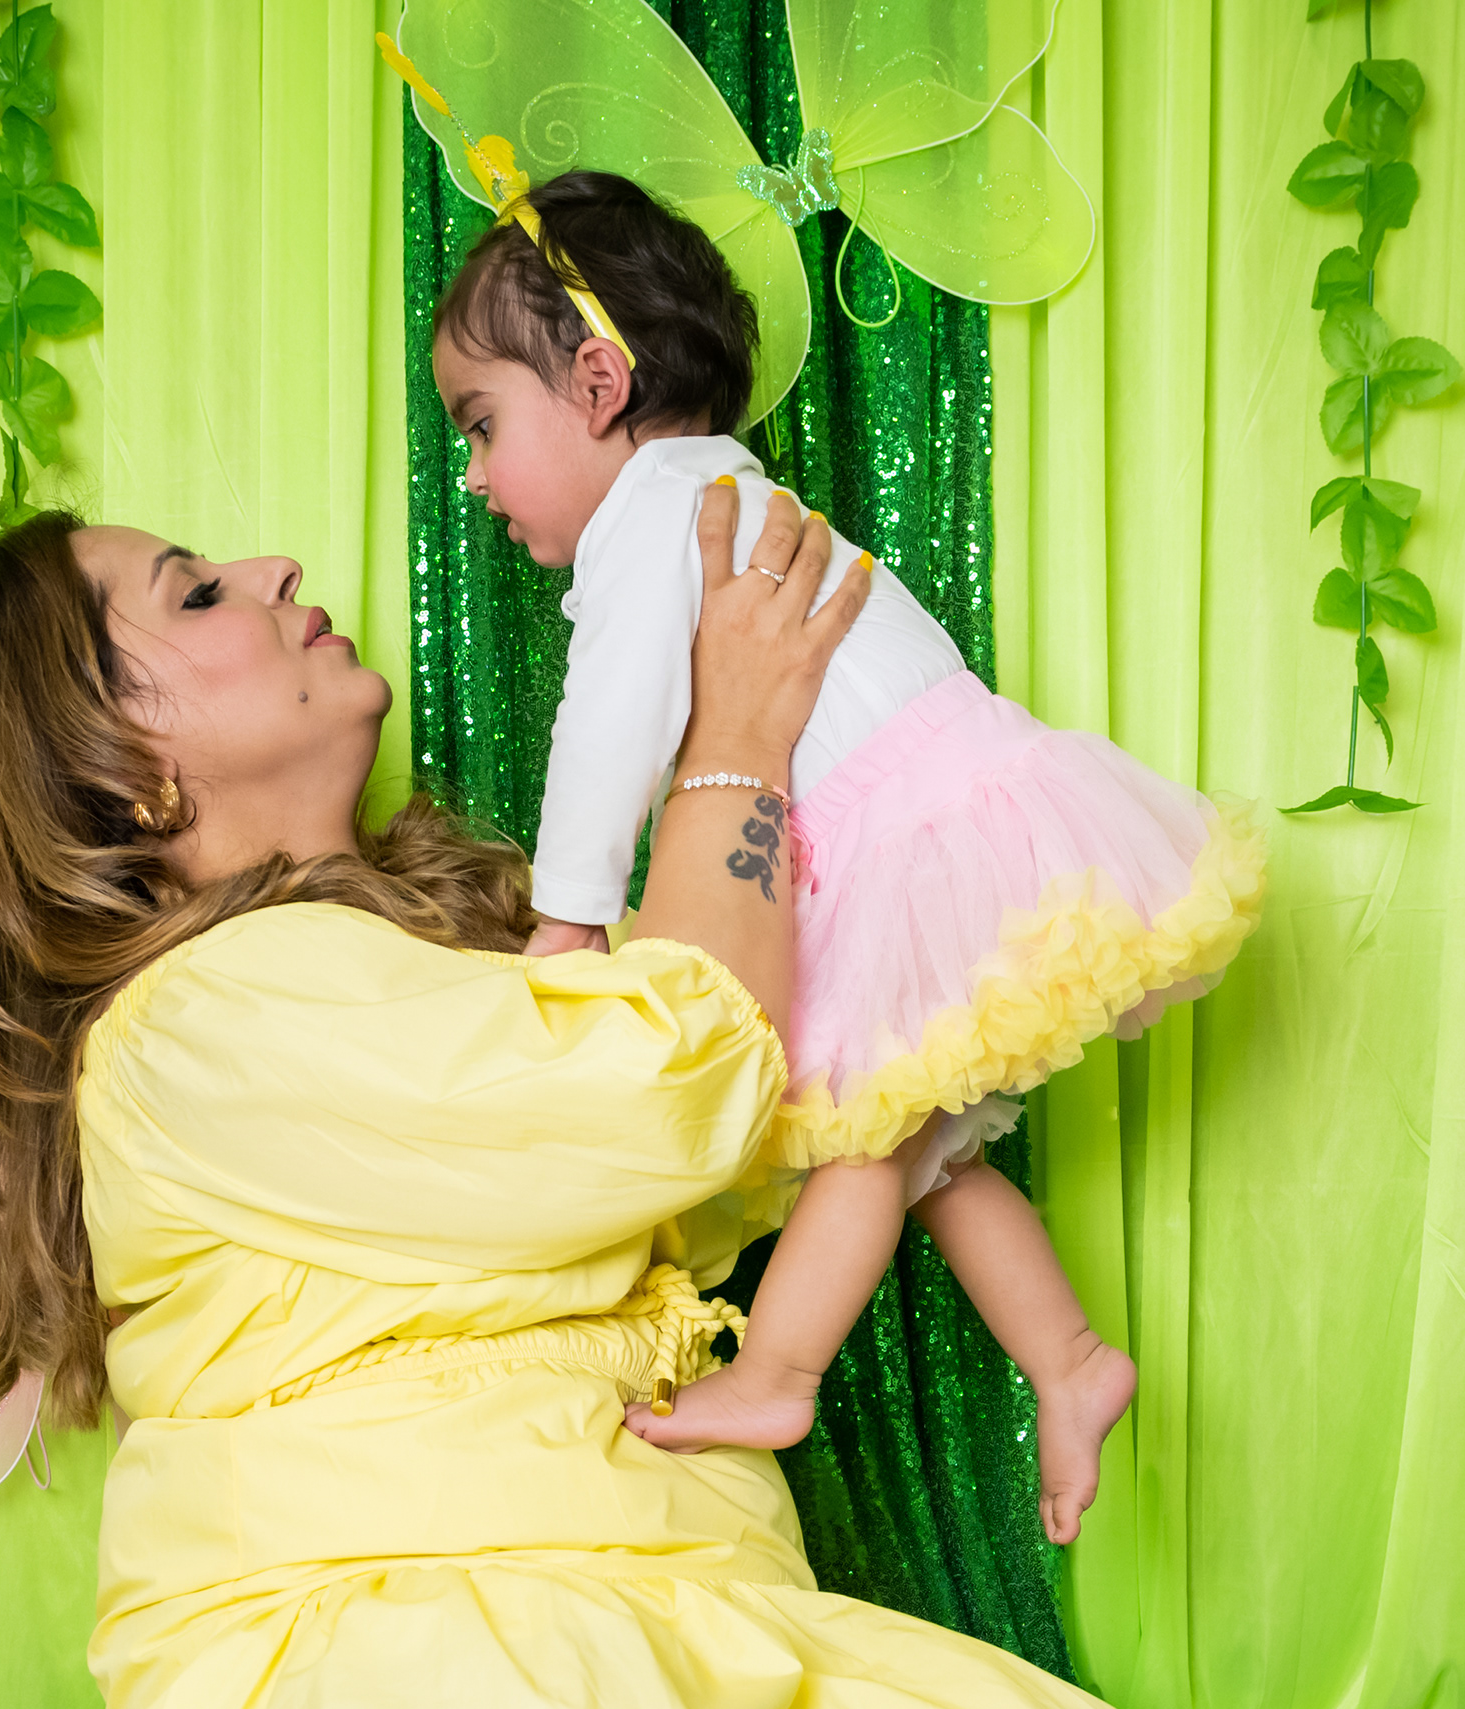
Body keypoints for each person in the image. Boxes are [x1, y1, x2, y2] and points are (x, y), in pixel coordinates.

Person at [0, 483, 1239, 1709]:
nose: (274, 565)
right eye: (198, 592)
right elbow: (666, 1096)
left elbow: (722, 1158)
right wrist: (739, 742)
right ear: (128, 770)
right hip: (381, 1631)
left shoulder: (446, 959)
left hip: (658, 1604)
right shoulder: (206, 1009)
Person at [433, 170, 1265, 1543]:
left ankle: (777, 1372)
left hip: (908, 837)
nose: (471, 475)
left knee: (872, 1141)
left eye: (481, 424)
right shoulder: (724, 487)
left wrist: (570, 918)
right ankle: (1069, 1360)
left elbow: (610, 724)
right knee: (929, 1155)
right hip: (949, 806)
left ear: (596, 383)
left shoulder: (661, 511)